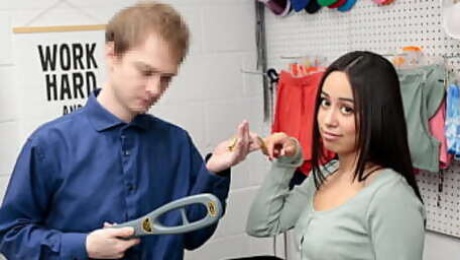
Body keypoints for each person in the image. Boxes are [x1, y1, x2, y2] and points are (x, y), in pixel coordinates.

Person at [0, 1, 254, 259]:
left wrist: (214, 171)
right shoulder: (50, 144)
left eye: (166, 78)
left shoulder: (176, 142)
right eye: (146, 72)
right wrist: (84, 246)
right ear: (112, 54)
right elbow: (10, 236)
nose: (155, 89)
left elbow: (193, 236)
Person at [246, 51, 425, 260]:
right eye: (325, 102)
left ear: (377, 115)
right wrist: (287, 161)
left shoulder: (391, 197)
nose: (329, 120)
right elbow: (261, 225)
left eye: (347, 109)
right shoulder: (326, 174)